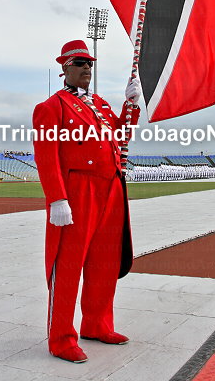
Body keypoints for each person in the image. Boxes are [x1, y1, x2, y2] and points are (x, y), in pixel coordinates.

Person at [33, 40, 141, 364]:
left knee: (104, 264)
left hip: (110, 187)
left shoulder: (102, 106)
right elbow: (46, 156)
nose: (87, 68)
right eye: (80, 63)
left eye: (90, 64)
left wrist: (131, 105)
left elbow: (121, 135)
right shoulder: (52, 107)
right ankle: (61, 338)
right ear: (65, 67)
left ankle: (97, 324)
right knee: (68, 266)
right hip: (78, 190)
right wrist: (57, 198)